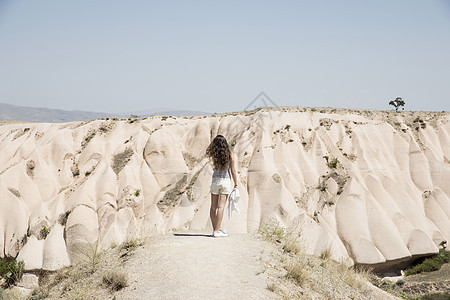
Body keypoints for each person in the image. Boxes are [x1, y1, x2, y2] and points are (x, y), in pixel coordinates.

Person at [206, 135, 238, 237]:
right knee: (221, 207)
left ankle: (216, 230)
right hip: (225, 181)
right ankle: (217, 231)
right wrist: (236, 183)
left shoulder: (214, 154)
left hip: (215, 180)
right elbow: (233, 171)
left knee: (213, 207)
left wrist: (214, 145)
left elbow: (207, 150)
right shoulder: (229, 154)